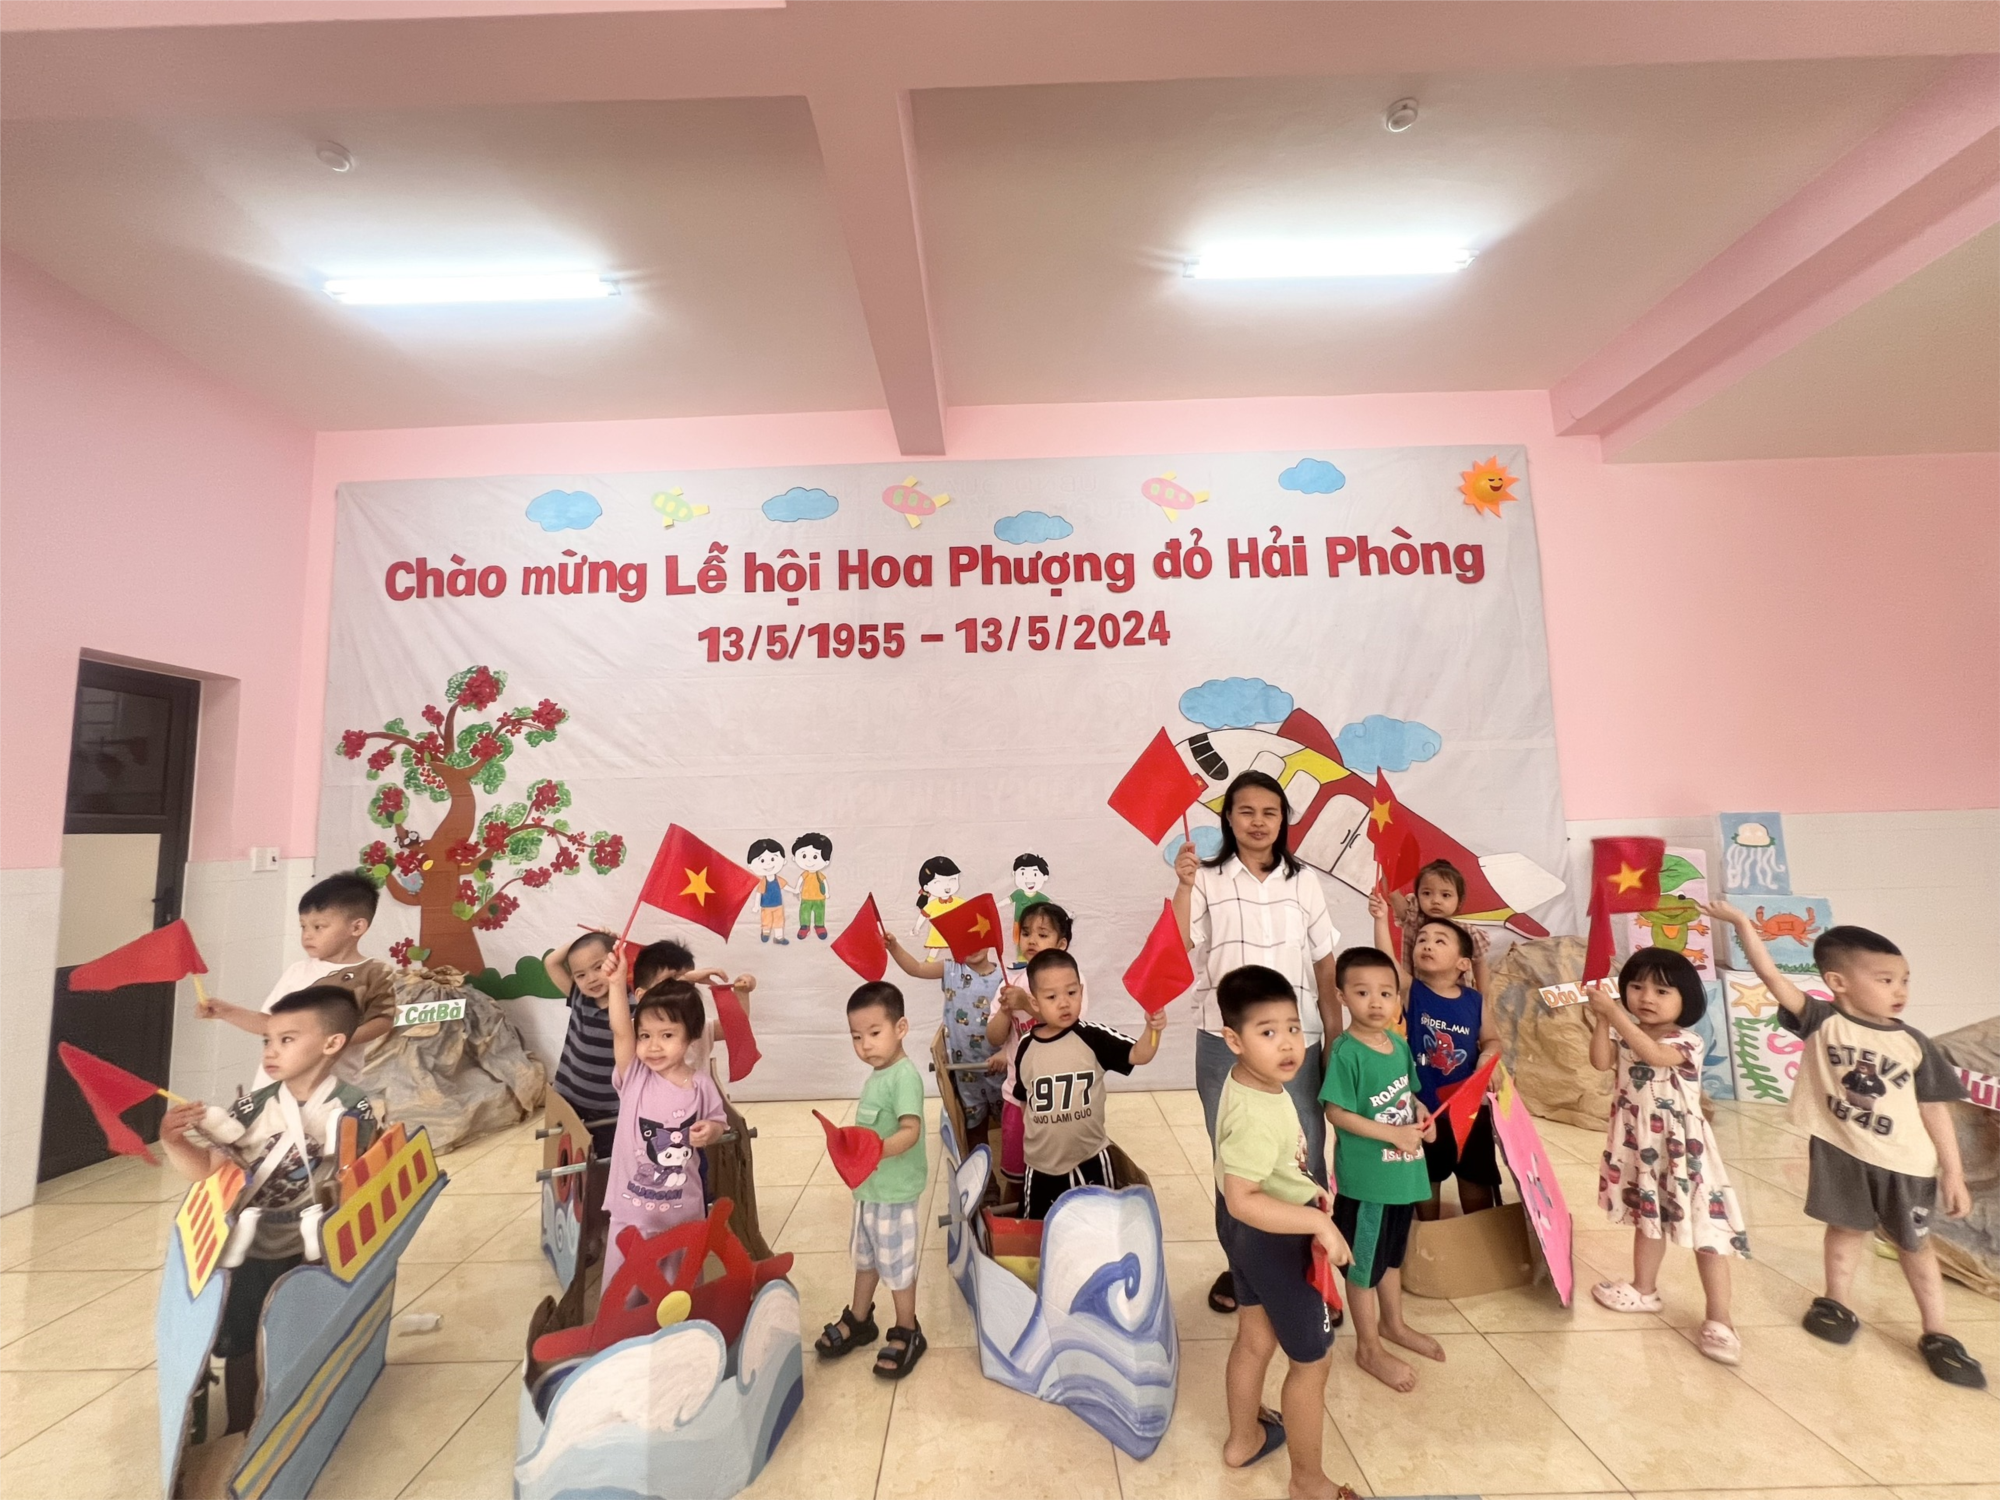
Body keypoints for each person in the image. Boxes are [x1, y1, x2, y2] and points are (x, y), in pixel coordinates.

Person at [1702, 902, 1984, 1388]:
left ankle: (1938, 1332)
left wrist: (1953, 1173)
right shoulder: (1821, 1020)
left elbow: (1936, 1109)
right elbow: (1770, 976)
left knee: (1914, 1245)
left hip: (1905, 1165)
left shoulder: (1915, 1044)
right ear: (1838, 982)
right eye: (1885, 980)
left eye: (1904, 980)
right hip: (1842, 1153)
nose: (1900, 991)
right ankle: (1836, 1302)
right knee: (1844, 1230)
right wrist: (1743, 924)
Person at [160, 987, 379, 1436]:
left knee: (304, 1328)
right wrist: (173, 1142)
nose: (271, 1051)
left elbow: (357, 1180)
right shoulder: (253, 1106)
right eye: (267, 1040)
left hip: (315, 1242)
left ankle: (300, 1417)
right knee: (240, 1333)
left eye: (286, 1040)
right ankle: (240, 1427)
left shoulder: (354, 1108)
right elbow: (206, 1171)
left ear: (332, 1043)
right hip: (251, 1241)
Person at [1172, 769, 1341, 1314]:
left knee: (1304, 1154)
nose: (1258, 822)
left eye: (1270, 812)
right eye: (1246, 811)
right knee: (1235, 1162)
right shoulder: (1206, 878)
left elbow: (1324, 962)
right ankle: (1244, 1271)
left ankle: (1314, 1275)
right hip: (1225, 1042)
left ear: (1283, 820)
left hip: (1297, 1040)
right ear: (1228, 818)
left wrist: (1333, 1033)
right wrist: (1183, 886)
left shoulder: (1303, 881)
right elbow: (1178, 946)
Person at [1211, 965, 1355, 1499]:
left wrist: (1308, 1189)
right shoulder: (1256, 1112)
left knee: (1255, 1339)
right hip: (1274, 1239)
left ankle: (1243, 1440)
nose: (1288, 1043)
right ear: (1234, 1040)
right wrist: (1317, 1220)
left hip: (1248, 1236)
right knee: (1312, 1363)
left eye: (1293, 1027)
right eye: (1267, 1032)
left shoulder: (1253, 1081)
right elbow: (1243, 1197)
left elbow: (1262, 1177)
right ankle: (1308, 1482)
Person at [1584, 947, 1748, 1364]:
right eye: (1637, 987)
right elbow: (1601, 1061)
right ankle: (1644, 1289)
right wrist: (1602, 1018)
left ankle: (1720, 1319)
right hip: (1640, 1147)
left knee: (1707, 1233)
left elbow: (1654, 1055)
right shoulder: (1627, 1033)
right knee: (1648, 1218)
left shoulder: (1685, 1040)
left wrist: (1615, 1014)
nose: (1646, 998)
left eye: (1661, 991)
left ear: (1685, 998)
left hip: (1684, 1153)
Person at [1319, 946, 1444, 1391]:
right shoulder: (1346, 1052)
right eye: (1363, 992)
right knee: (1362, 1268)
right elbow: (1336, 1112)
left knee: (1391, 1258)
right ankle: (1368, 1346)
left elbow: (1409, 1095)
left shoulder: (1399, 1045)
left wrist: (1422, 1116)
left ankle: (1394, 1324)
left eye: (1386, 993)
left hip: (1402, 1175)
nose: (1376, 1002)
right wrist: (1391, 1134)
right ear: (1341, 996)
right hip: (1368, 1183)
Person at [814, 981, 929, 1379]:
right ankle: (860, 1318)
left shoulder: (904, 1076)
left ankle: (908, 1330)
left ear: (901, 1028)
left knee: (897, 1264)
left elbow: (910, 1131)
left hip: (894, 1192)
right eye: (856, 1037)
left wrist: (873, 1151)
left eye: (874, 1033)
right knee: (866, 1258)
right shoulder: (878, 1075)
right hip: (870, 1190)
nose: (865, 1045)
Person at [1372, 892, 1499, 1221]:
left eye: (1440, 941)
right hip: (1424, 1112)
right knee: (1425, 1184)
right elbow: (1386, 964)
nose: (1427, 945)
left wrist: (1487, 1059)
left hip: (1469, 1113)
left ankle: (1480, 1239)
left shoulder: (1475, 1001)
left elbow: (1492, 1040)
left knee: (1476, 1182)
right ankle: (1429, 1240)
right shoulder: (1413, 991)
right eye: (1422, 940)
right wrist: (1380, 919)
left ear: (1463, 964)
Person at [1011, 948, 1163, 1220]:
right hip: (1039, 1165)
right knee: (1038, 1230)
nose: (1064, 1003)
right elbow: (1024, 1098)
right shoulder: (1025, 1046)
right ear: (1034, 1002)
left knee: (1098, 1225)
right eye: (1051, 997)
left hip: (1089, 1158)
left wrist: (1153, 1029)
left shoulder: (1093, 1038)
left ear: (1081, 991)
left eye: (1071, 993)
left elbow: (1140, 1055)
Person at [196, 873, 397, 1077]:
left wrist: (336, 1040)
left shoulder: (375, 972)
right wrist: (227, 1012)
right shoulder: (297, 971)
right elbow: (271, 1024)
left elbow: (382, 1021)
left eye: (318, 927)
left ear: (356, 927)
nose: (307, 935)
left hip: (333, 1086)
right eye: (303, 926)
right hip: (276, 1086)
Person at [600, 964, 726, 1287]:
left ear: (691, 1036)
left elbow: (718, 1123)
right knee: (623, 1293)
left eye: (667, 1035)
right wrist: (616, 983)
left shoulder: (701, 1085)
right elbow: (620, 1030)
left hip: (681, 1214)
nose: (653, 1046)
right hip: (631, 1214)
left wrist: (710, 1130)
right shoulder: (635, 1075)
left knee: (678, 1293)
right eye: (645, 1036)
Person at [986, 901, 1083, 1195]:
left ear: (1061, 944)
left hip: (1061, 1100)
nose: (1031, 940)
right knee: (1016, 1178)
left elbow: (1071, 1026)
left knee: (1060, 1174)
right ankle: (1015, 1218)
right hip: (1018, 1097)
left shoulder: (1073, 983)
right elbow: (994, 1037)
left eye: (1042, 934)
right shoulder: (1011, 982)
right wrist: (1006, 1010)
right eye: (1026, 933)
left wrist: (1027, 1005)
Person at [885, 923, 1003, 1136]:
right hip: (963, 1066)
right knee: (973, 1122)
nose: (972, 948)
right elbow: (916, 968)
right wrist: (894, 948)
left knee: (1007, 1117)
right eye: (964, 943)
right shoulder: (951, 969)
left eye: (977, 940)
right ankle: (978, 1156)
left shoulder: (1005, 976)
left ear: (989, 938)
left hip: (998, 1064)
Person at [629, 938, 756, 1082]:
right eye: (670, 982)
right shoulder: (635, 1031)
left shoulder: (696, 1026)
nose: (681, 991)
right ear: (642, 996)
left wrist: (742, 993)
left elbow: (736, 1026)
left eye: (689, 986)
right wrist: (685, 978)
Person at [546, 930, 622, 1157]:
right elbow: (551, 962)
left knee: (605, 1160)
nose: (591, 979)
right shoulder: (579, 997)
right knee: (569, 1157)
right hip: (568, 1099)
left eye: (598, 967)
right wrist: (589, 936)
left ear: (616, 960)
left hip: (609, 1108)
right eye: (580, 975)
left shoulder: (629, 1005)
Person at [1388, 859, 1491, 995]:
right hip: (1418, 999)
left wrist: (1484, 1000)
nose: (1436, 901)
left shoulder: (1469, 932)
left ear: (1459, 901)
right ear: (1417, 896)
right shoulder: (1414, 920)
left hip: (1457, 1002)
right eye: (1426, 893)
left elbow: (1480, 966)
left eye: (1445, 895)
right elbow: (1393, 894)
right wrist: (1387, 861)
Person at [747, 838, 793, 945]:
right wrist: (756, 905)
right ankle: (766, 933)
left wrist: (794, 890)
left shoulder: (778, 879)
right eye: (762, 861)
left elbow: (785, 886)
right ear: (751, 866)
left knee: (779, 922)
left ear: (783, 861)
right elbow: (759, 894)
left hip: (778, 906)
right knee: (766, 921)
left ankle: (779, 937)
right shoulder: (763, 882)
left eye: (773, 859)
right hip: (766, 906)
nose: (768, 864)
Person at [1008, 853, 1052, 959]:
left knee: (1035, 941)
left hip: (1036, 924)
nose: (1028, 879)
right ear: (1014, 874)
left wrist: (1067, 913)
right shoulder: (1018, 894)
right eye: (1023, 874)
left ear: (1045, 877)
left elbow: (1053, 905)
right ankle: (1021, 959)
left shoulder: (1040, 897)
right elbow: (1007, 901)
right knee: (1019, 941)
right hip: (1019, 923)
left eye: (1035, 874)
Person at [792, 832, 833, 941]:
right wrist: (797, 889)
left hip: (819, 898)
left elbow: (824, 882)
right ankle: (804, 927)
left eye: (815, 856)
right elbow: (800, 880)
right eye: (804, 856)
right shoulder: (805, 873)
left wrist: (827, 892)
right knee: (804, 912)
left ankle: (820, 926)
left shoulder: (819, 874)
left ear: (826, 861)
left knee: (820, 912)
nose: (809, 860)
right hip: (806, 897)